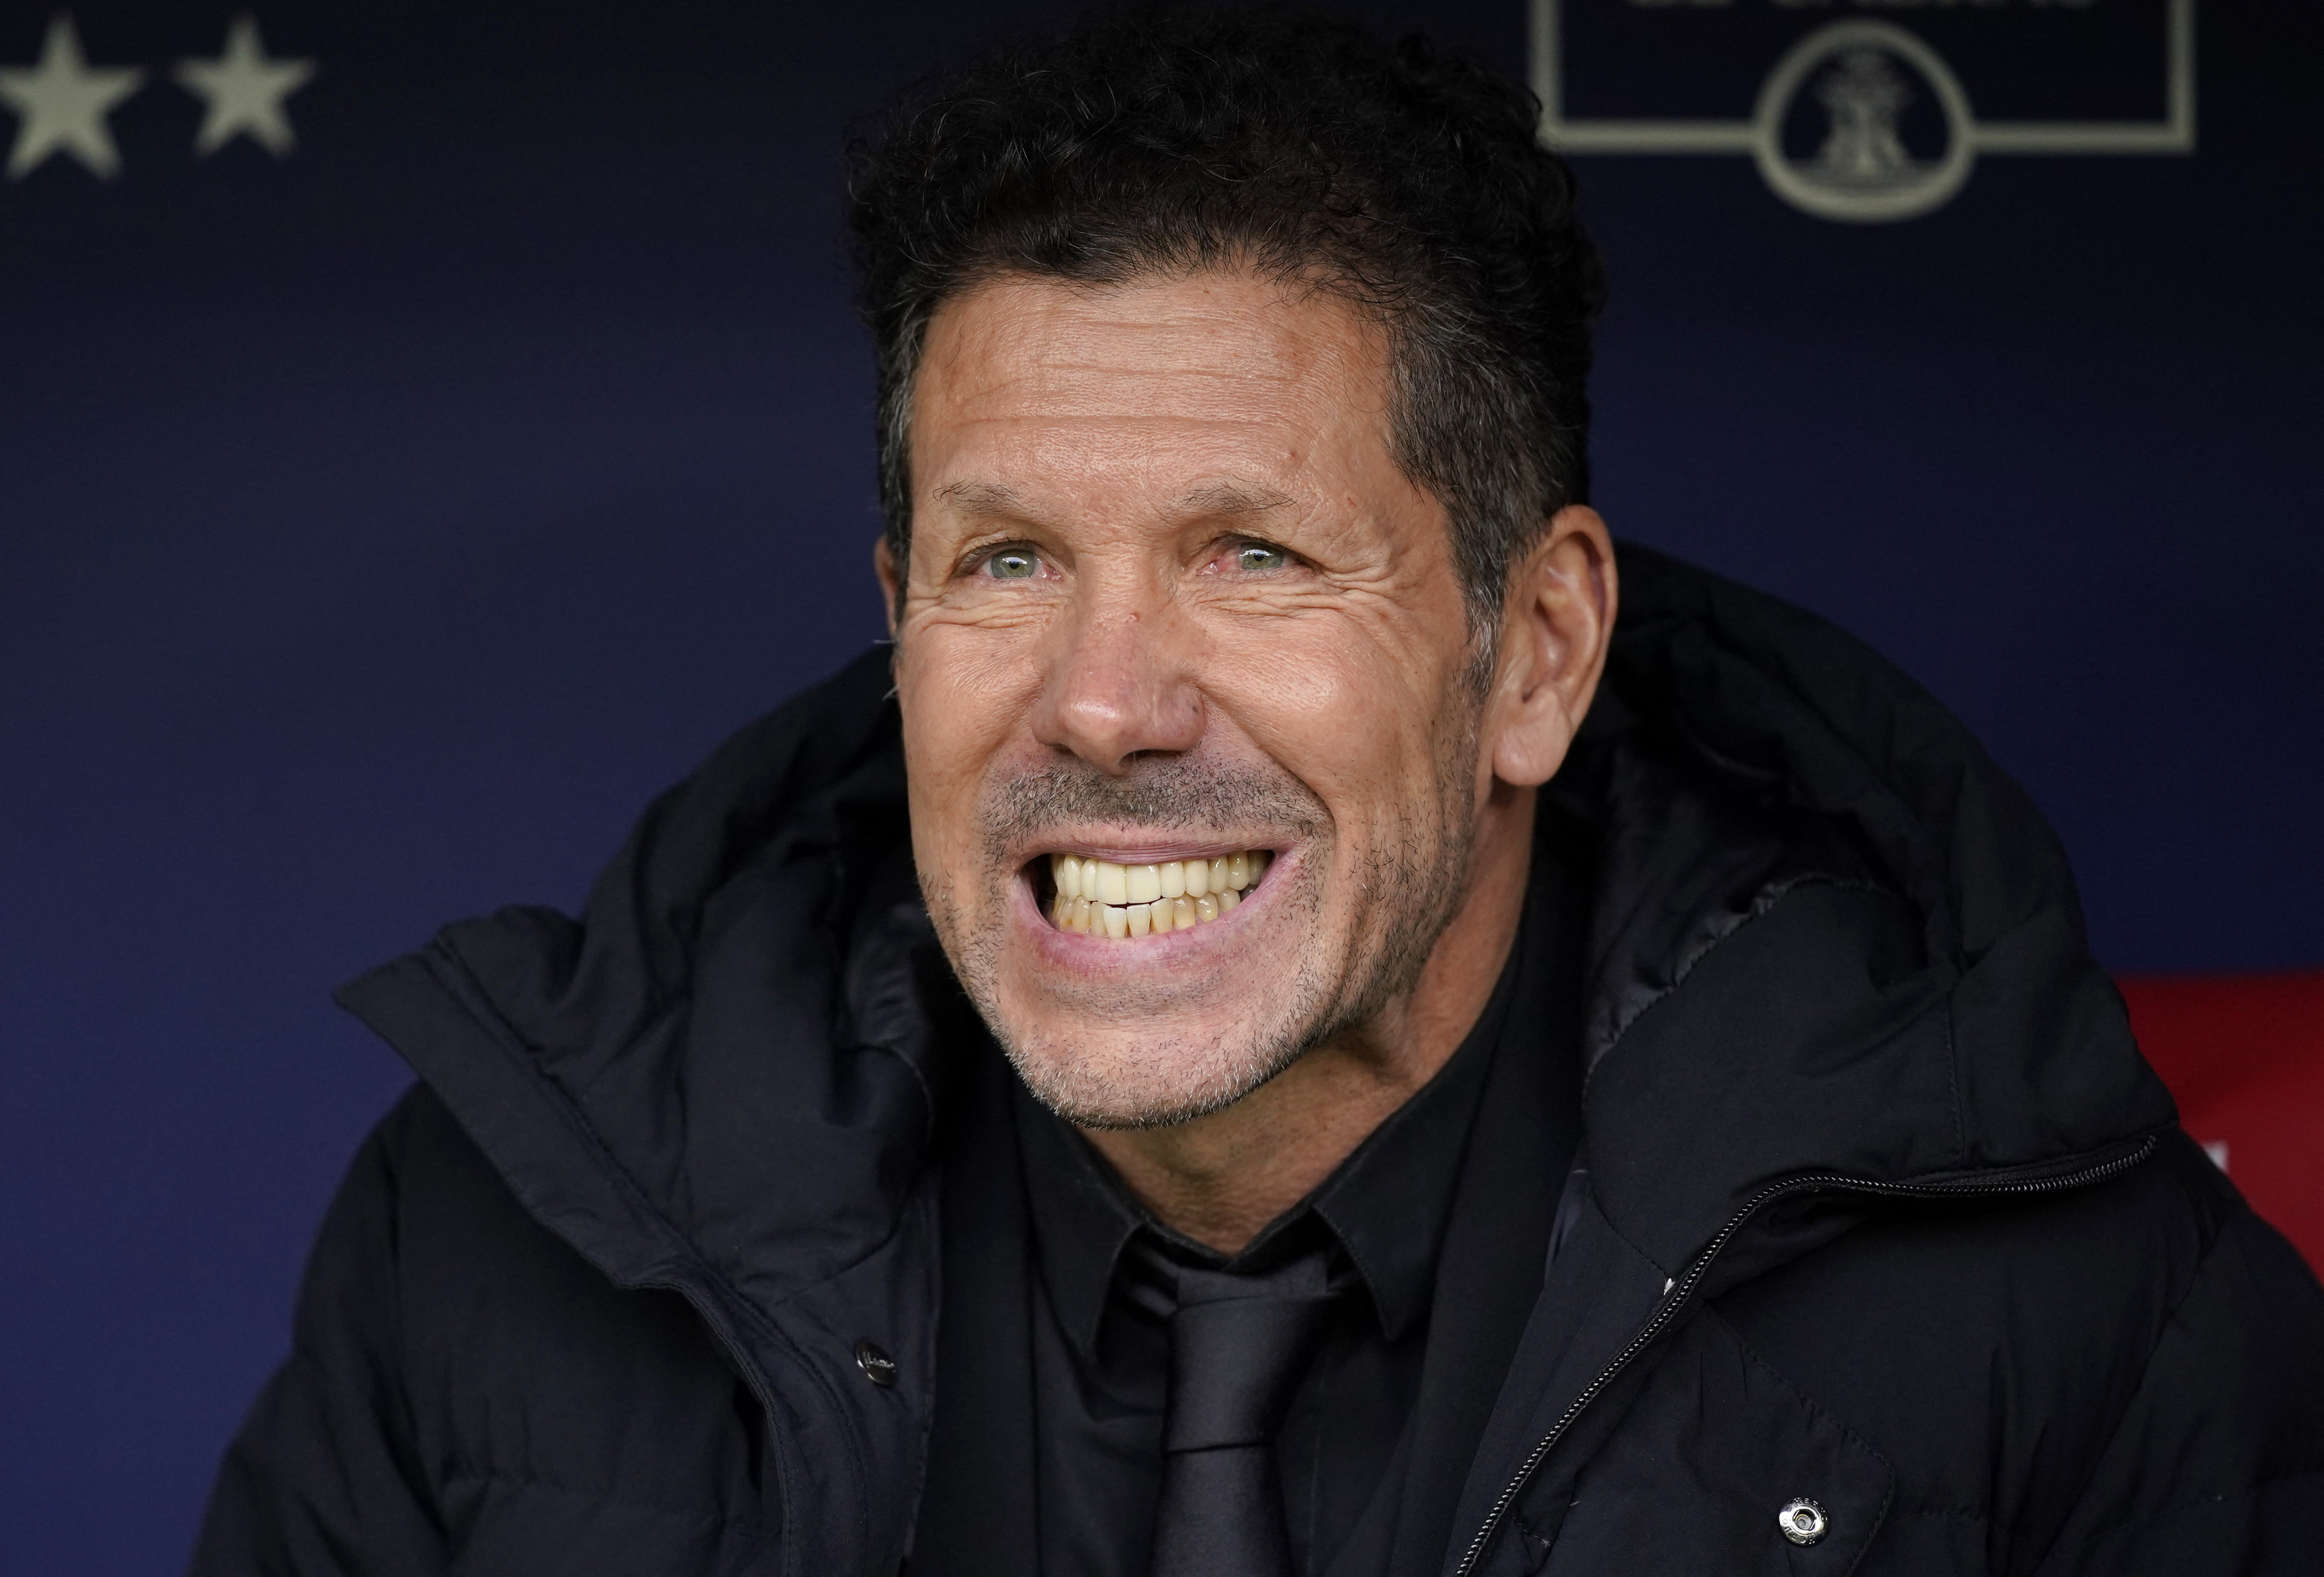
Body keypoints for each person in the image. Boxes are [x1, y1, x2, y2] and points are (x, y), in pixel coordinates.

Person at [191, 9, 2324, 1576]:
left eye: (1253, 554)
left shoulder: (2069, 1303)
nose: (1104, 704)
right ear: (895, 610)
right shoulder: (500, 1239)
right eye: (1005, 561)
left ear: (1537, 651)